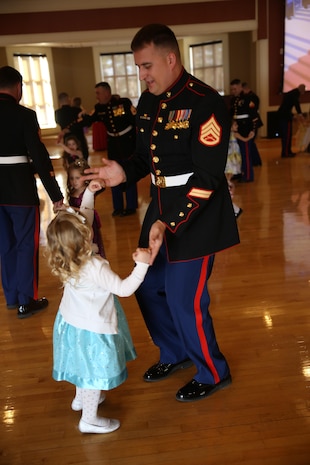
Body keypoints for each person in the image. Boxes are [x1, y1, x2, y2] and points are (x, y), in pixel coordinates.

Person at [82, 24, 240, 403]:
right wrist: (121, 171)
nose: (143, 75)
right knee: (149, 288)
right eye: (139, 67)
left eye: (147, 65)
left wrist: (169, 222)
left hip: (196, 217)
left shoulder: (206, 102)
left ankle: (213, 371)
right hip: (159, 206)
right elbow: (144, 158)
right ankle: (176, 353)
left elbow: (208, 178)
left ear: (171, 59)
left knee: (185, 300)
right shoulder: (150, 100)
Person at [46, 210, 150, 433]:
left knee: (80, 364)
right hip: (92, 329)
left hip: (69, 322)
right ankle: (89, 419)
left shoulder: (66, 259)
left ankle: (81, 398)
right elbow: (123, 289)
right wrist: (142, 265)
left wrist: (89, 194)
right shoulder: (95, 267)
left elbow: (85, 218)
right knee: (92, 374)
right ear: (84, 237)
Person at [0, 65, 64, 318]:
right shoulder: (24, 115)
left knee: (4, 245)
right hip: (20, 191)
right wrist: (56, 195)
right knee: (26, 244)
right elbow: (38, 157)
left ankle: (12, 298)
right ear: (18, 87)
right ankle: (27, 300)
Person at [78, 82, 138, 217]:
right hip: (113, 146)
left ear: (106, 92)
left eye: (98, 93)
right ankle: (117, 207)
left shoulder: (122, 103)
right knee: (113, 174)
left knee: (128, 173)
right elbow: (89, 120)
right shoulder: (99, 108)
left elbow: (135, 119)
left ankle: (131, 206)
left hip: (127, 143)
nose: (97, 96)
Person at [67, 159, 106, 258]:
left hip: (88, 221)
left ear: (85, 178)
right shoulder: (71, 192)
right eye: (71, 178)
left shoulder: (88, 190)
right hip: (76, 223)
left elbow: (102, 184)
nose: (74, 181)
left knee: (92, 241)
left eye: (77, 178)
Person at [230, 78, 260, 182]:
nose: (233, 91)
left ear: (240, 87)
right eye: (232, 89)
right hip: (237, 129)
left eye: (235, 89)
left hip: (246, 129)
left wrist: (253, 130)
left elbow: (254, 116)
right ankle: (239, 172)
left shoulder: (248, 98)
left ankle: (248, 176)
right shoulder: (234, 100)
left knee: (246, 153)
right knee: (238, 153)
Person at [225, 120, 254, 218]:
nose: (237, 126)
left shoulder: (231, 134)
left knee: (231, 171)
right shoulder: (232, 134)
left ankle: (228, 183)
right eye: (235, 125)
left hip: (233, 155)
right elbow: (245, 140)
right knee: (230, 170)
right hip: (231, 156)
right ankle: (228, 183)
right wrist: (250, 136)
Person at [55, 92, 89, 160]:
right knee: (82, 159)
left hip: (67, 140)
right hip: (79, 139)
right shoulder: (77, 110)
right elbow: (84, 122)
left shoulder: (57, 113)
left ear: (60, 101)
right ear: (68, 99)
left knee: (70, 158)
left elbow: (58, 122)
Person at [277, 84, 306, 158]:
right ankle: (286, 153)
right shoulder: (295, 94)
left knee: (286, 135)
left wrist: (294, 115)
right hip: (285, 117)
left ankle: (287, 151)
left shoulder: (291, 93)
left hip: (282, 115)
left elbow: (287, 106)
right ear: (302, 89)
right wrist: (300, 115)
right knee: (287, 135)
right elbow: (297, 105)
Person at [242, 82, 263, 166]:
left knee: (251, 142)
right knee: (251, 143)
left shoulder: (252, 97)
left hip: (252, 121)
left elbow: (253, 111)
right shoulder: (250, 97)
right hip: (251, 121)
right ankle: (255, 161)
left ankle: (256, 161)